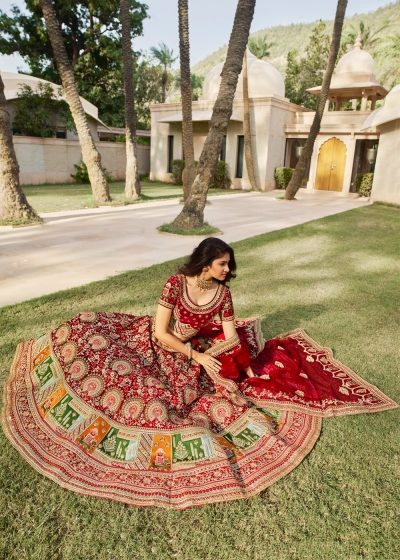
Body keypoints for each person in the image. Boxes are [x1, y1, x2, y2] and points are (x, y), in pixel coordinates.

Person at [3, 238, 397, 510]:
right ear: (204, 263)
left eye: (229, 264)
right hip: (164, 341)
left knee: (181, 395)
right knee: (92, 336)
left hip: (194, 351)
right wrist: (195, 352)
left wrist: (219, 357)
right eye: (223, 264)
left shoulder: (224, 294)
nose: (229, 269)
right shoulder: (176, 284)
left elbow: (228, 336)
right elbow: (159, 332)